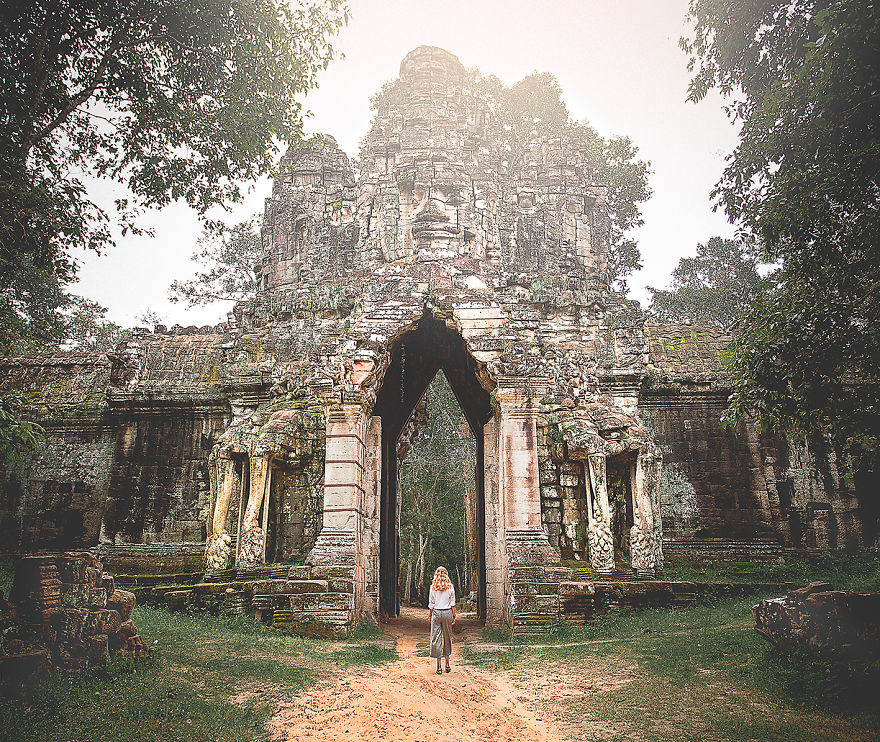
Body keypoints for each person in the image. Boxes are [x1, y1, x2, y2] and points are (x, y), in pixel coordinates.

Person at [428, 566, 456, 674]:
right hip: (447, 612)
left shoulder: (433, 587)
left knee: (436, 638)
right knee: (447, 637)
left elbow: (431, 604)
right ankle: (447, 664)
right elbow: (452, 603)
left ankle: (438, 666)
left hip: (436, 612)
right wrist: (454, 615)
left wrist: (430, 615)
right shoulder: (450, 587)